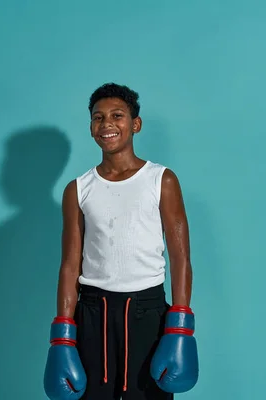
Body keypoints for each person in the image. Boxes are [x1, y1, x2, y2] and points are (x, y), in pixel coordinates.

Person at [44, 83, 199, 400]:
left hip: (147, 311)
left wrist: (180, 325)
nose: (107, 124)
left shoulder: (161, 180)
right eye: (98, 118)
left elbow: (180, 258)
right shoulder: (78, 189)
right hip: (92, 312)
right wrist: (62, 334)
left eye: (117, 115)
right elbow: (70, 265)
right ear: (91, 128)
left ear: (135, 124)